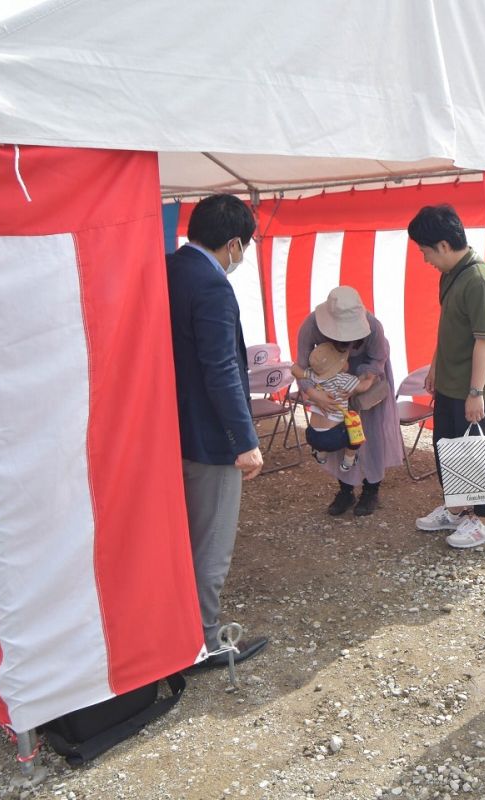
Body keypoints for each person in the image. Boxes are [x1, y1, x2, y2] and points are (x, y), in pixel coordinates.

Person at [166, 194, 269, 669]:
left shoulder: (170, 267)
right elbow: (222, 368)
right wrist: (245, 441)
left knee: (183, 533)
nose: (241, 256)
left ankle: (176, 626)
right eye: (243, 246)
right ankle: (202, 641)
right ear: (233, 243)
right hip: (209, 436)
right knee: (211, 539)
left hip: (171, 426)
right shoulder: (211, 285)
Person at [406, 204, 485, 549]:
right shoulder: (451, 275)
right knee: (447, 449)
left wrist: (476, 392)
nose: (425, 259)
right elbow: (448, 327)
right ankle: (457, 508)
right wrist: (436, 366)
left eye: (425, 251)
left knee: (476, 451)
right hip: (451, 382)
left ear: (444, 246)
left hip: (473, 386)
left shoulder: (479, 279)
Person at [295, 286, 403, 516]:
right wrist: (315, 394)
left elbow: (378, 358)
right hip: (328, 384)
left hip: (366, 382)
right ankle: (345, 489)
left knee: (368, 433)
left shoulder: (373, 326)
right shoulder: (311, 325)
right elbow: (301, 367)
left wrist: (363, 380)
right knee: (337, 433)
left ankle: (371, 490)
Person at [291, 342, 362, 471]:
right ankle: (348, 462)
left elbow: (294, 369)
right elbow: (364, 386)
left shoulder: (313, 375)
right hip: (332, 437)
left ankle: (321, 456)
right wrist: (372, 378)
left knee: (321, 440)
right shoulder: (343, 378)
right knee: (355, 433)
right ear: (340, 366)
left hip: (311, 435)